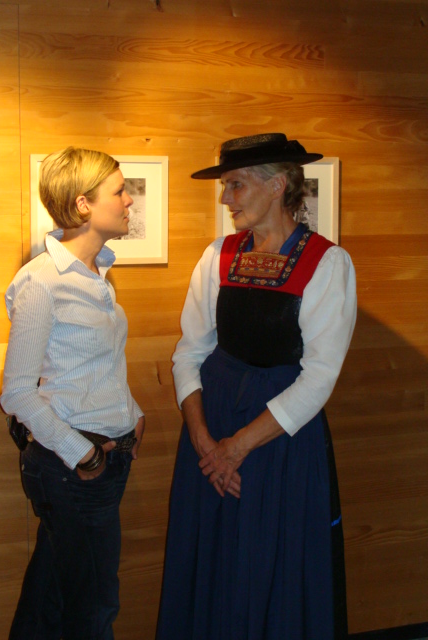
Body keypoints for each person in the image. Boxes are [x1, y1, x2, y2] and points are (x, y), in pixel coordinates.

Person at [156, 133, 357, 640]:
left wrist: (238, 447)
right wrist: (204, 441)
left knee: (271, 561)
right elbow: (189, 352)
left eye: (236, 185)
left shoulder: (326, 263)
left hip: (279, 438)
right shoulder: (218, 256)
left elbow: (320, 376)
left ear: (277, 185)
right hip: (212, 428)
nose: (225, 198)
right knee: (214, 555)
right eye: (225, 186)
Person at [0, 146, 145, 640]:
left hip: (100, 461)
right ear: (83, 204)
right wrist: (84, 455)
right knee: (94, 609)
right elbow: (18, 393)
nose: (129, 200)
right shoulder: (42, 283)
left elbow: (91, 364)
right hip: (73, 469)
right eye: (119, 192)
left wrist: (132, 411)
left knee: (50, 602)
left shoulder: (98, 272)